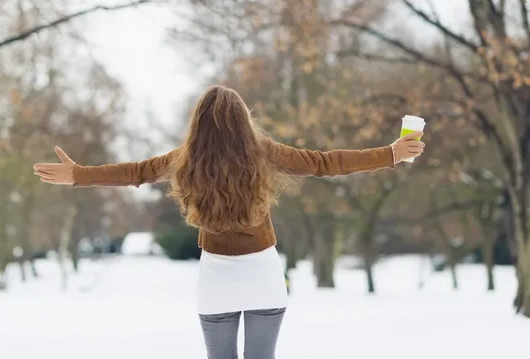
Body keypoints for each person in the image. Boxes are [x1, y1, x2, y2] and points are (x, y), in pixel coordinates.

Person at [33, 85, 424, 359]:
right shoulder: (263, 152)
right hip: (265, 279)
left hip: (216, 282)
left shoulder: (184, 158)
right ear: (243, 121)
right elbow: (326, 163)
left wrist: (79, 174)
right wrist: (390, 153)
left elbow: (135, 172)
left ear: (197, 124)